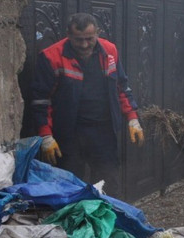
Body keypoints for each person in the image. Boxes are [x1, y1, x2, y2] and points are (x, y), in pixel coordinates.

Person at [30, 12, 144, 187]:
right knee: (70, 186)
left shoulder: (109, 51)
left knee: (108, 183)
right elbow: (41, 101)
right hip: (68, 134)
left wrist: (132, 118)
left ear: (97, 33)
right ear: (68, 36)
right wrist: (46, 135)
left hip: (103, 131)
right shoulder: (51, 57)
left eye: (89, 39)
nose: (84, 45)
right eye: (78, 39)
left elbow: (121, 86)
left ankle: (107, 213)